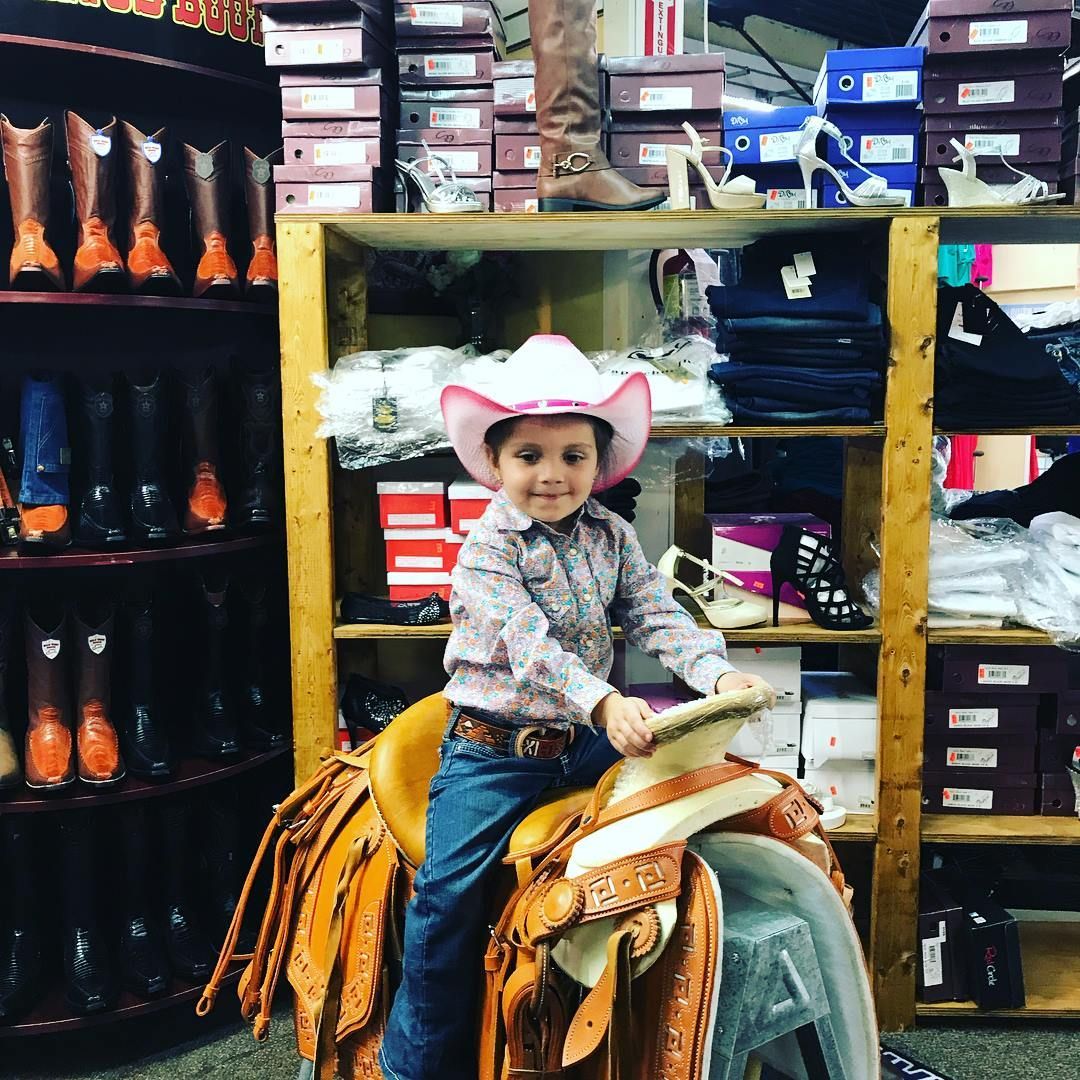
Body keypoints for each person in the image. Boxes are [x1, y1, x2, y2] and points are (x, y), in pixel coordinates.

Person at [378, 334, 767, 1080]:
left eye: (573, 456)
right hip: (492, 752)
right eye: (529, 455)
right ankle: (414, 1065)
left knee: (703, 801)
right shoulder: (486, 549)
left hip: (579, 736)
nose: (552, 475)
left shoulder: (612, 536)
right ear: (495, 462)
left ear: (598, 461)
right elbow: (529, 648)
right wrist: (603, 700)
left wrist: (714, 677)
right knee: (447, 898)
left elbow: (656, 615)